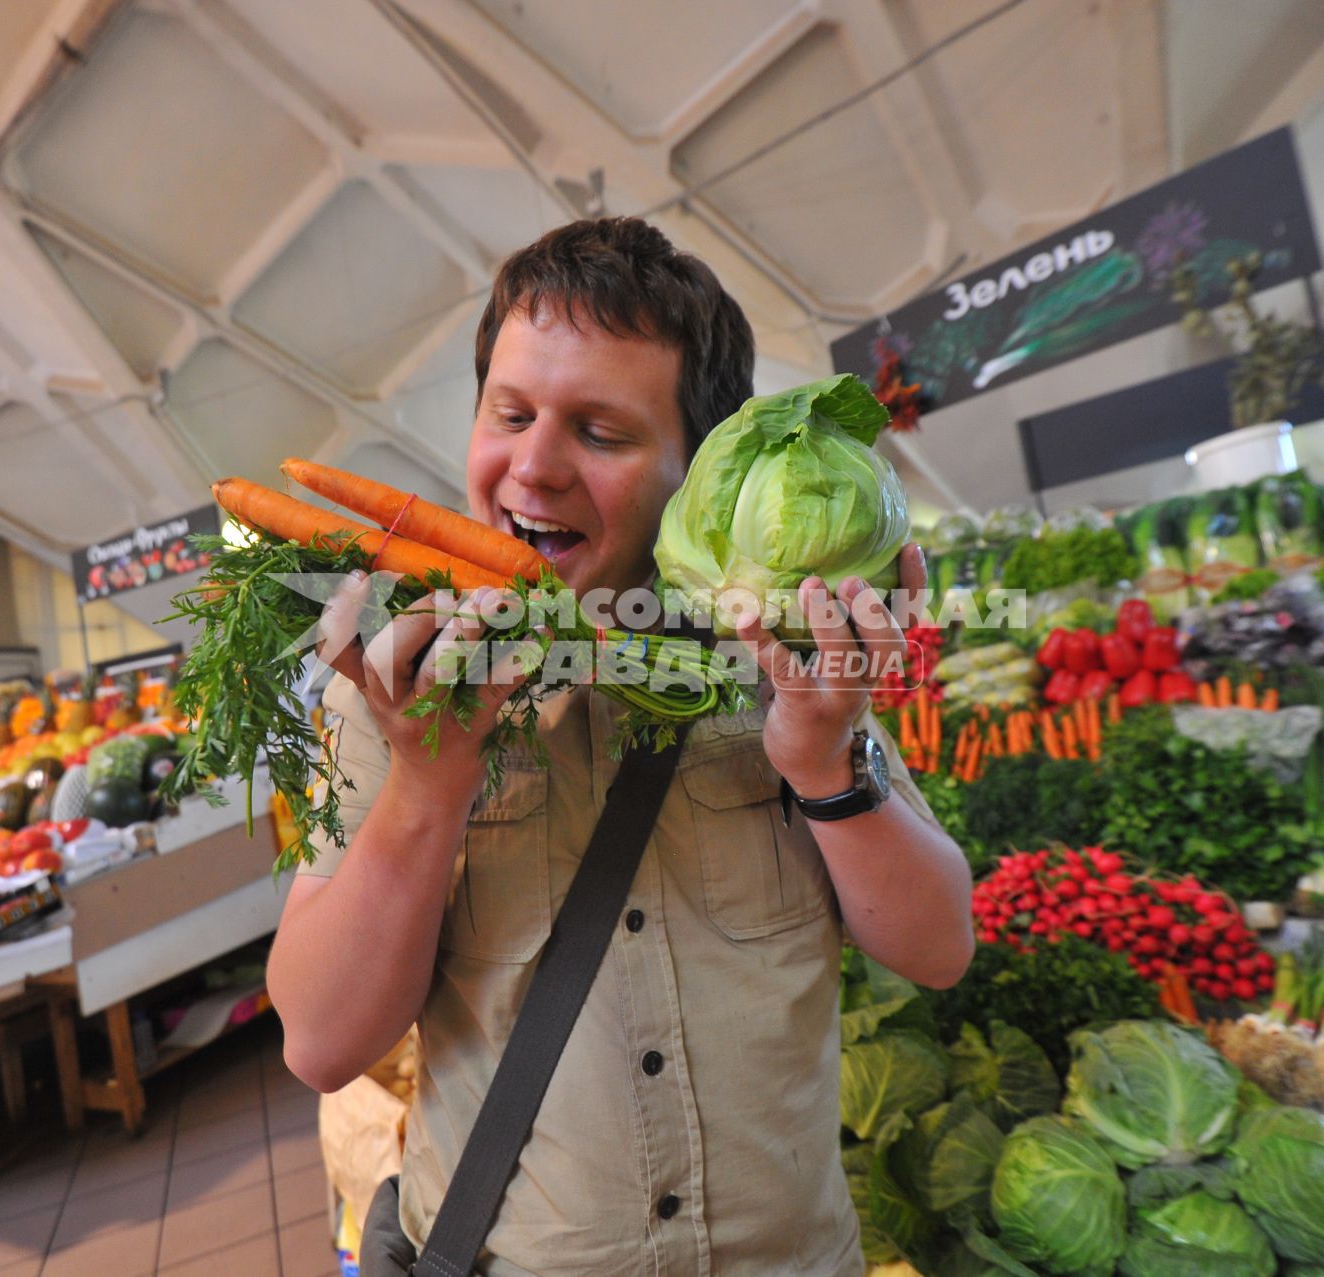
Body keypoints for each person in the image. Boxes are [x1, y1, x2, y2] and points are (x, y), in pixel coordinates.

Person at [267, 218, 974, 1276]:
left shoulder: (773, 669)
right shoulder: (398, 686)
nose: (534, 467)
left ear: (701, 470)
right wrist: (428, 786)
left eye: (600, 432)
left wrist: (828, 769)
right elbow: (322, 1041)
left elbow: (936, 946)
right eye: (509, 414)